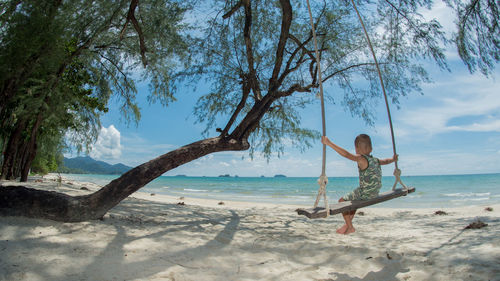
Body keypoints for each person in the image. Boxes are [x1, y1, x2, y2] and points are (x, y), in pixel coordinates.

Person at [321, 134, 398, 235]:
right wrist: (393, 159)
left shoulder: (361, 159)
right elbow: (387, 161)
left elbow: (346, 155)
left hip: (365, 193)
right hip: (375, 193)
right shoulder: (376, 160)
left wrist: (329, 143)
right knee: (354, 202)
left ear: (356, 149)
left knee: (341, 201)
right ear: (371, 148)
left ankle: (350, 226)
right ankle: (347, 225)